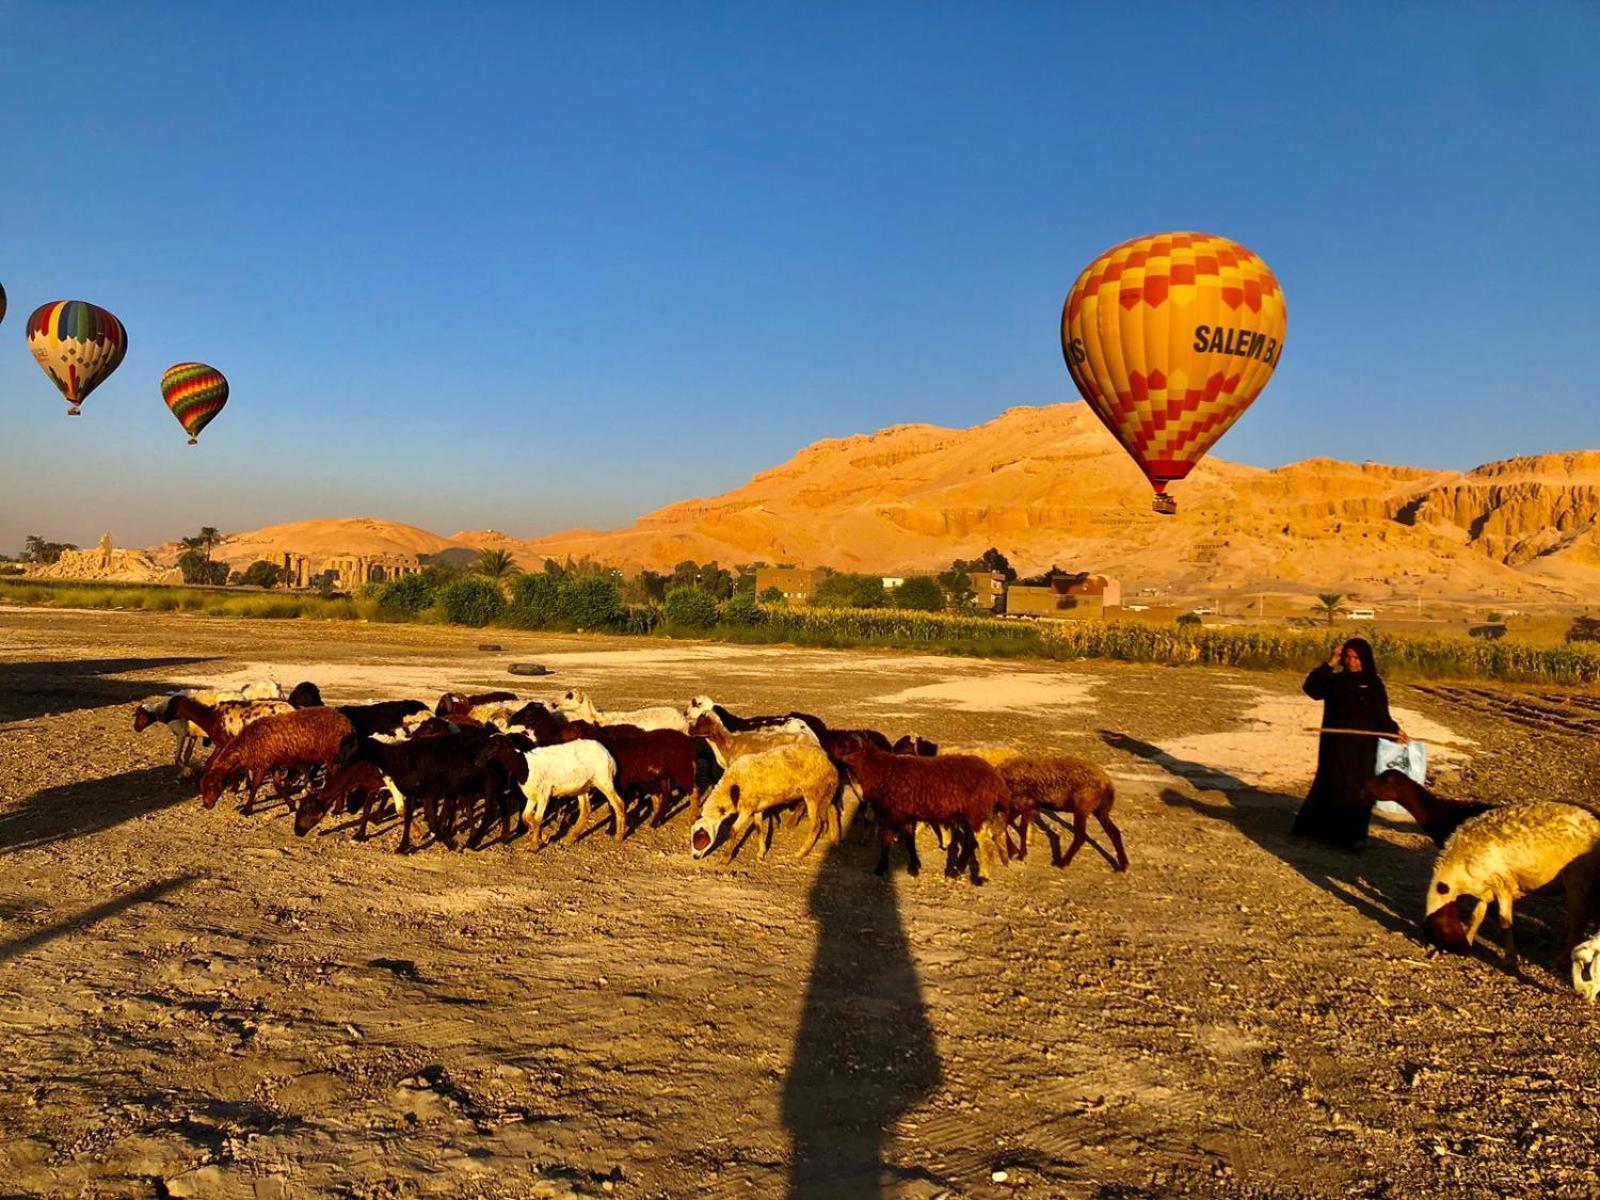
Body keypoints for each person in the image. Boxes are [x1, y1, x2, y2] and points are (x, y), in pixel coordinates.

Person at [1291, 637, 1406, 850]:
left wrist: (1395, 732)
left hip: (1363, 749)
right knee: (1333, 785)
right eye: (1348, 657)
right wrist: (1331, 661)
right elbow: (1312, 690)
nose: (1352, 662)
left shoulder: (1374, 684)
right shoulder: (1335, 682)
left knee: (1360, 790)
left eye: (1357, 658)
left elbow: (1381, 716)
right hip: (1336, 747)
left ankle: (1354, 838)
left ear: (1365, 659)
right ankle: (1322, 833)